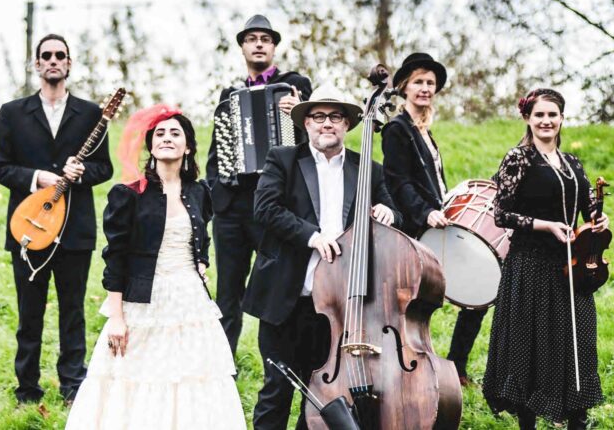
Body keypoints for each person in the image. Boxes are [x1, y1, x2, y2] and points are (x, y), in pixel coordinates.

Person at [65, 106, 245, 429]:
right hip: (142, 302)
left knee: (193, 378)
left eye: (175, 133)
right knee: (138, 378)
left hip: (189, 302)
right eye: (159, 134)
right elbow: (115, 257)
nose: (167, 138)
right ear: (151, 145)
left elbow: (201, 231)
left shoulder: (199, 191)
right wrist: (117, 318)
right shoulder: (128, 195)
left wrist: (201, 261)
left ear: (188, 146)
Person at [242, 85, 402, 430]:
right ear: (307, 124)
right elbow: (265, 208)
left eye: (334, 117)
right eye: (318, 117)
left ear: (346, 124)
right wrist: (312, 237)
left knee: (321, 394)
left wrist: (388, 211)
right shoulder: (282, 159)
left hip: (336, 306)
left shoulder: (366, 168)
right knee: (276, 391)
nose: (326, 123)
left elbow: (393, 210)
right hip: (287, 296)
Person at [0, 33, 113, 404]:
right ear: (37, 64)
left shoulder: (91, 113)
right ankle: (27, 388)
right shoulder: (12, 112)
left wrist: (81, 173)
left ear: (70, 63)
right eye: (47, 55)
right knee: (30, 313)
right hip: (28, 227)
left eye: (61, 55)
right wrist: (36, 178)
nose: (54, 61)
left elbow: (104, 167)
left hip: (74, 229)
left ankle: (74, 385)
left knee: (73, 311)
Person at [482, 88, 609, 430]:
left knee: (577, 341)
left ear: (562, 118)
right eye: (539, 115)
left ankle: (577, 418)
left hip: (572, 268)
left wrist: (600, 217)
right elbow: (501, 214)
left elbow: (588, 208)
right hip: (530, 265)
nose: (546, 121)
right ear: (527, 118)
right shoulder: (518, 158)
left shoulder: (572, 163)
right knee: (532, 345)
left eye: (552, 114)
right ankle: (528, 422)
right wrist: (545, 226)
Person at [206, 14, 313, 357]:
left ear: (274, 46)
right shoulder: (230, 93)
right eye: (251, 38)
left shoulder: (295, 85)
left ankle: (279, 363)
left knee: (276, 288)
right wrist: (214, 192)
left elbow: (318, 138)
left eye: (265, 39)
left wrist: (300, 113)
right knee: (227, 293)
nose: (258, 44)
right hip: (233, 208)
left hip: (273, 205)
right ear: (242, 47)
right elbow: (215, 151)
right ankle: (224, 367)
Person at [381, 52, 486, 386]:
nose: (425, 88)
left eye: (430, 83)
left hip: (438, 220)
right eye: (419, 82)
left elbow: (429, 180)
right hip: (417, 229)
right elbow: (398, 181)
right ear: (404, 87)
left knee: (480, 290)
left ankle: (456, 364)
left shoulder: (424, 129)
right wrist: (425, 212)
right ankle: (411, 368)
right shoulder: (397, 129)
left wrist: (451, 198)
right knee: (413, 308)